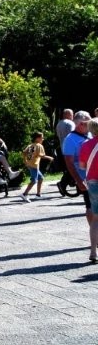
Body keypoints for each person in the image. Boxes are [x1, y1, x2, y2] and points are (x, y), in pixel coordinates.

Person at [63, 111, 93, 240]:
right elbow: (69, 162)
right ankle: (95, 234)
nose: (91, 124)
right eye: (89, 122)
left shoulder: (90, 134)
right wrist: (78, 180)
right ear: (81, 124)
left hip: (94, 175)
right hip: (85, 178)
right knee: (90, 206)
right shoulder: (70, 139)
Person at [76, 120, 98, 262]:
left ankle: (93, 252)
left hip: (92, 182)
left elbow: (82, 166)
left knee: (96, 218)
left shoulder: (85, 145)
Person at [20, 131, 51, 201]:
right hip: (34, 165)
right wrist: (50, 158)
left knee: (41, 178)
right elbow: (42, 155)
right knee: (34, 181)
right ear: (37, 138)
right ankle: (24, 194)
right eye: (42, 138)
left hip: (30, 165)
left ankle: (38, 194)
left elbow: (24, 153)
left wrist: (25, 162)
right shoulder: (39, 145)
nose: (43, 139)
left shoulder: (30, 145)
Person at [56, 108, 76, 196]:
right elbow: (73, 136)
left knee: (69, 167)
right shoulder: (70, 123)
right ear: (67, 114)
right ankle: (63, 183)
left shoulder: (59, 124)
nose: (73, 116)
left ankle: (68, 182)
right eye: (71, 114)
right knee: (74, 167)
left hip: (63, 148)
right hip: (71, 149)